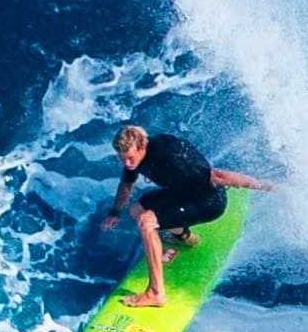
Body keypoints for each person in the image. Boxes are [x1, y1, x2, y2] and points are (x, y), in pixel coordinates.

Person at [102, 123, 275, 308]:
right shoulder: (134, 154)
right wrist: (115, 212)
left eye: (129, 158)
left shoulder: (169, 155)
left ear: (142, 146)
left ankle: (155, 293)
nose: (127, 164)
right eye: (122, 159)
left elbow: (218, 176)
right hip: (181, 194)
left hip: (207, 202)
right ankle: (185, 237)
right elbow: (126, 184)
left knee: (147, 222)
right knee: (136, 209)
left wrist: (262, 186)